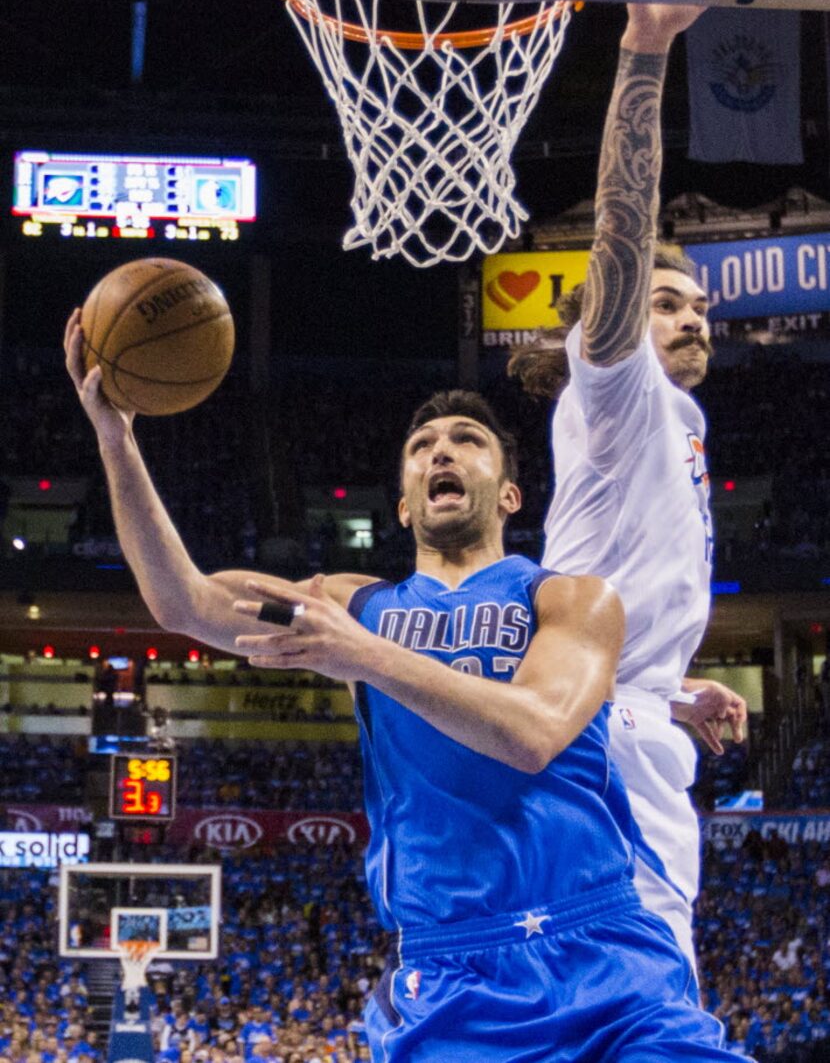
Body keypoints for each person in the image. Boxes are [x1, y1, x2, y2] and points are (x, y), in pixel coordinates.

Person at [65, 310, 744, 1059]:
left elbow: (533, 731)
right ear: (404, 500)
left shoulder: (575, 599)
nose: (440, 452)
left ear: (509, 494)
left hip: (605, 951)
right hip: (451, 972)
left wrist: (367, 655)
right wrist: (116, 436)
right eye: (422, 447)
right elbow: (182, 598)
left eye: (467, 441)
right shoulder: (356, 604)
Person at [508, 2, 748, 967]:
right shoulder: (617, 385)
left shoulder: (673, 422)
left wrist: (676, 689)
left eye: (699, 307)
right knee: (650, 1000)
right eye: (664, 302)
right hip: (606, 737)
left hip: (621, 713)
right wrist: (644, 52)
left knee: (617, 994)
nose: (692, 320)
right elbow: (621, 220)